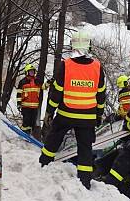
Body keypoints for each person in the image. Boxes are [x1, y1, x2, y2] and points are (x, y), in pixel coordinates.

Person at [39, 31, 106, 189]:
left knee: (53, 141)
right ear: (89, 46)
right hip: (88, 116)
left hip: (65, 114)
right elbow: (101, 94)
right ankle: (84, 182)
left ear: (73, 47)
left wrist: (49, 112)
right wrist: (99, 115)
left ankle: (42, 166)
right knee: (85, 149)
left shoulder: (66, 65)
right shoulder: (97, 67)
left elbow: (56, 92)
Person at [16, 63, 42, 135]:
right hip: (25, 106)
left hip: (35, 106)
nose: (32, 73)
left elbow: (43, 87)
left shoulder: (37, 81)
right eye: (30, 72)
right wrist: (18, 104)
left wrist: (48, 83)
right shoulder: (22, 82)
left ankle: (30, 134)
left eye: (33, 72)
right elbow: (19, 94)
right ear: (27, 72)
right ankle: (24, 133)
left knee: (33, 122)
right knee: (26, 121)